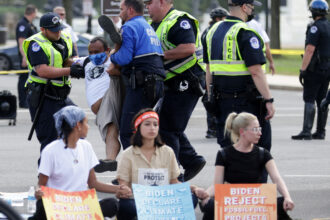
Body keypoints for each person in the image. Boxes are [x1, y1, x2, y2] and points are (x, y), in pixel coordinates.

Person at [204, 0, 275, 183]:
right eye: (251, 7)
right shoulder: (246, 32)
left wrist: (211, 97)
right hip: (246, 103)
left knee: (229, 149)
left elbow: (209, 69)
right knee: (259, 147)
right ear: (244, 7)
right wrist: (269, 100)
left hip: (221, 101)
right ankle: (254, 197)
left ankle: (233, 199)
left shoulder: (212, 31)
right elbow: (256, 70)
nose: (252, 10)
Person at [27, 106, 132, 220]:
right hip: (59, 205)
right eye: (86, 123)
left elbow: (93, 184)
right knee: (42, 207)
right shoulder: (50, 151)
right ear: (78, 125)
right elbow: (41, 185)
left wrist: (119, 189)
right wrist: (38, 191)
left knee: (113, 204)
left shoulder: (86, 147)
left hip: (80, 207)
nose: (88, 127)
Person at [144, 0, 206, 181]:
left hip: (187, 81)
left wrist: (156, 55)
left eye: (149, 3)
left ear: (162, 2)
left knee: (168, 129)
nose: (147, 7)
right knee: (167, 126)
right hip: (172, 82)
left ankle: (174, 176)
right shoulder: (153, 24)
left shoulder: (179, 20)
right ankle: (192, 160)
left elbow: (188, 48)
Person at [198, 112, 294, 220]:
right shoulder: (224, 154)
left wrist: (287, 197)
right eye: (255, 129)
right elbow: (217, 185)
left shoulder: (263, 153)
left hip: (256, 205)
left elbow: (276, 178)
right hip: (233, 205)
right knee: (209, 206)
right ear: (242, 131)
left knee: (281, 204)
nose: (260, 133)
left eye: (259, 129)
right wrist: (205, 195)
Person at [116, 108, 206, 220]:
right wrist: (124, 191)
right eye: (147, 124)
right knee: (126, 206)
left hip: (164, 203)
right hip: (138, 201)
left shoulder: (167, 151)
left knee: (191, 198)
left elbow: (174, 182)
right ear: (138, 128)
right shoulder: (127, 154)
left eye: (155, 124)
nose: (152, 128)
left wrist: (192, 189)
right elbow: (123, 185)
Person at [23, 12, 83, 165]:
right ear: (43, 30)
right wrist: (70, 71)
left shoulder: (63, 39)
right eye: (54, 30)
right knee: (49, 140)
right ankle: (44, 183)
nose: (58, 32)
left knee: (79, 124)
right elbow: (42, 70)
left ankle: (68, 169)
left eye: (59, 28)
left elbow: (66, 60)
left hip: (61, 96)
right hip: (44, 97)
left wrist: (80, 63)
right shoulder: (36, 44)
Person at [108, 0, 165, 150]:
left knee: (128, 130)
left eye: (121, 9)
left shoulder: (129, 26)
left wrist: (112, 56)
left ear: (130, 10)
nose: (120, 13)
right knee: (145, 129)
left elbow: (124, 58)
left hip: (142, 84)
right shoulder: (147, 26)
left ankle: (135, 168)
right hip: (156, 84)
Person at [74, 37, 122, 172]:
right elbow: (70, 61)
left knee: (111, 129)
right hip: (100, 109)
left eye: (97, 51)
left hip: (110, 97)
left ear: (107, 50)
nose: (94, 55)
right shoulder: (87, 62)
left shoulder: (113, 60)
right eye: (91, 52)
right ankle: (110, 161)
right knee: (110, 131)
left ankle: (110, 159)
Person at [292, 0, 330, 140]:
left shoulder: (315, 27)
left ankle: (306, 131)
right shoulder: (328, 25)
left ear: (313, 12)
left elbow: (309, 50)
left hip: (315, 69)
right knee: (322, 99)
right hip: (327, 68)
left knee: (309, 98)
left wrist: (303, 69)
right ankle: (321, 131)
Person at [201, 7, 228, 139]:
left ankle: (211, 129)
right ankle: (215, 128)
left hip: (208, 70)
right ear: (218, 18)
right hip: (214, 70)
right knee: (214, 100)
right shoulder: (216, 31)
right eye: (224, 18)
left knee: (210, 98)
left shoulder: (206, 31)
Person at [15, 4, 38, 108]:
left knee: (28, 79)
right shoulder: (22, 24)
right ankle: (22, 102)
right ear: (33, 12)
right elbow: (21, 42)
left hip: (31, 56)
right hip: (26, 57)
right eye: (36, 12)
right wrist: (24, 57)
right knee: (23, 79)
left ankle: (27, 100)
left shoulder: (30, 24)